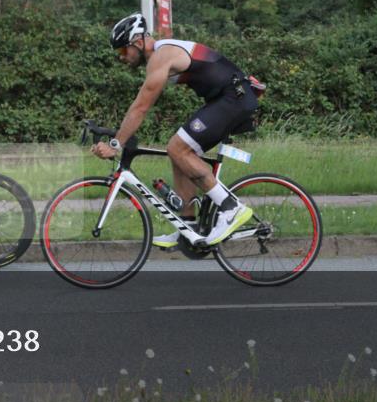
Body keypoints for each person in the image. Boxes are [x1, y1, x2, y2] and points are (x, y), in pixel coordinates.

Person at [91, 13, 259, 246]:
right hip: (225, 98)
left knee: (178, 148)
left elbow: (140, 107)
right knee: (179, 152)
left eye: (122, 51)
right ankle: (188, 227)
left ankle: (231, 208)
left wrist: (116, 144)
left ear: (138, 42)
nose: (122, 57)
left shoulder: (162, 55)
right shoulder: (162, 55)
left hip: (234, 97)